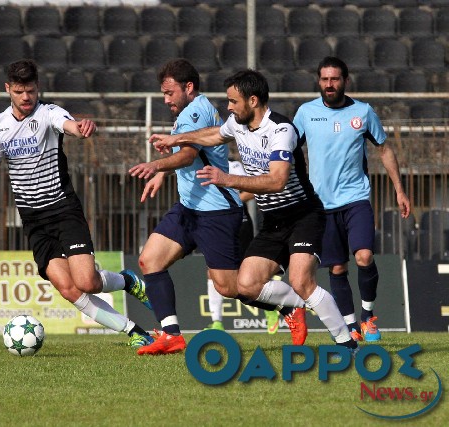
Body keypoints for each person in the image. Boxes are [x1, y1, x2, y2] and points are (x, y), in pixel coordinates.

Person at [151, 69, 358, 355]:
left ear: (253, 100)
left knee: (301, 280)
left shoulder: (281, 130)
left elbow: (277, 180)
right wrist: (176, 139)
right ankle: (298, 306)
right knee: (246, 285)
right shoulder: (237, 124)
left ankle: (347, 344)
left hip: (303, 216)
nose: (229, 107)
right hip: (273, 221)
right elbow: (213, 135)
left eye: (233, 101)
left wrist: (228, 179)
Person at [129, 60, 307, 356]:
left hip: (216, 212)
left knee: (229, 286)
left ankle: (287, 305)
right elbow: (192, 156)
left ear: (188, 87)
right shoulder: (191, 110)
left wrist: (156, 165)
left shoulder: (196, 112)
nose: (166, 99)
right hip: (189, 208)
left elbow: (187, 155)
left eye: (169, 93)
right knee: (150, 260)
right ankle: (171, 335)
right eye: (163, 94)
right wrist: (162, 173)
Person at [0, 59, 154, 349]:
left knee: (88, 282)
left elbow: (71, 127)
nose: (26, 97)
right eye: (19, 92)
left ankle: (128, 282)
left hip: (62, 210)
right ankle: (134, 332)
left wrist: (83, 128)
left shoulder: (48, 113)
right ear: (8, 89)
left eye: (30, 90)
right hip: (33, 220)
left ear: (37, 88)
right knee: (69, 289)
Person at [293, 57, 411, 342]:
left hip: (356, 198)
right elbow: (288, 148)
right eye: (324, 79)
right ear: (319, 81)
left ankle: (368, 316)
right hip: (321, 205)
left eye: (334, 79)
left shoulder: (363, 112)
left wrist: (399, 189)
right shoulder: (306, 113)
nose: (329, 84)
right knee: (337, 267)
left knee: (364, 256)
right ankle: (350, 326)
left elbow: (384, 150)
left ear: (345, 80)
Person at [204, 160, 282, 335]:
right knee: (212, 271)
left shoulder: (234, 166)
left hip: (240, 224)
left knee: (248, 275)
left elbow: (254, 190)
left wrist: (233, 201)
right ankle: (217, 322)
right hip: (216, 224)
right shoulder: (202, 167)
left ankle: (271, 308)